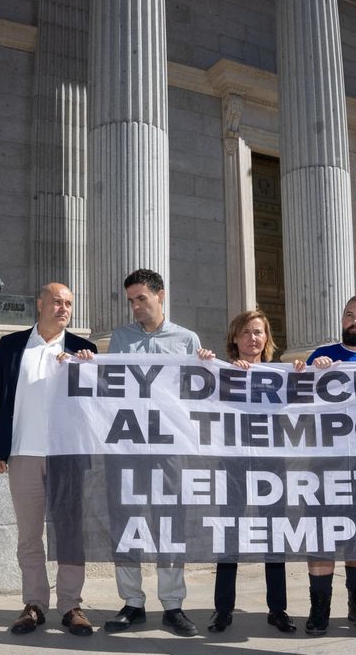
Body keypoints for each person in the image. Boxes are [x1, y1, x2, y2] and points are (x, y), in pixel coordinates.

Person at [72, 268, 213, 637]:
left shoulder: (186, 340)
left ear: (160, 296)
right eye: (131, 300)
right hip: (127, 444)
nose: (134, 306)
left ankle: (173, 605)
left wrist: (207, 366)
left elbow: (197, 392)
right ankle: (132, 603)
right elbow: (111, 386)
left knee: (170, 521)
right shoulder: (120, 337)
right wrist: (87, 366)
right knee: (126, 520)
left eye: (141, 299)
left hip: (169, 447)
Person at [0, 283, 98, 637]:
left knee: (69, 535)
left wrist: (90, 372)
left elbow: (98, 408)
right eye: (56, 302)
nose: (63, 308)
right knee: (29, 536)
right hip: (23, 454)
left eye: (68, 303)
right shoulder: (12, 345)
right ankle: (34, 604)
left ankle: (71, 605)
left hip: (67, 457)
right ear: (40, 304)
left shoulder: (84, 349)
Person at [293, 295, 356, 636]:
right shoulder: (323, 357)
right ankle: (319, 609)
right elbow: (297, 405)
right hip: (324, 464)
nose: (354, 321)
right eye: (349, 315)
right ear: (342, 321)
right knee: (321, 538)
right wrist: (310, 373)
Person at [208, 309, 297, 634]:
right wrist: (210, 366)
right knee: (228, 535)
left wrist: (304, 374)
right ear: (235, 338)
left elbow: (308, 405)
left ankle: (278, 609)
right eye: (246, 332)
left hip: (271, 466)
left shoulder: (280, 375)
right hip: (232, 466)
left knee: (274, 538)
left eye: (258, 332)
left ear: (266, 339)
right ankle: (222, 610)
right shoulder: (222, 374)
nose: (252, 338)